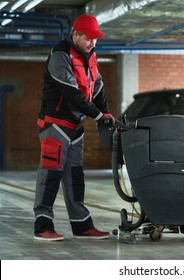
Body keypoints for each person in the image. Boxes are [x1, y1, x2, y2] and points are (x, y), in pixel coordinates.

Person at [33, 14, 115, 241]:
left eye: (95, 39)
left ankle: (81, 225)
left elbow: (97, 87)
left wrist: (105, 111)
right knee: (50, 175)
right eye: (88, 39)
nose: (92, 43)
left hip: (76, 126)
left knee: (75, 176)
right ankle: (42, 226)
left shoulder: (90, 56)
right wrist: (97, 115)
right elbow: (72, 93)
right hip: (56, 124)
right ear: (75, 34)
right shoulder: (59, 55)